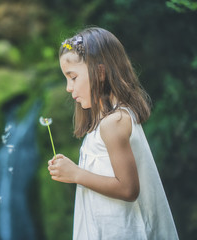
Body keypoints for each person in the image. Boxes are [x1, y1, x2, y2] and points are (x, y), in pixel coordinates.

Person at [47, 27, 179, 240]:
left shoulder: (114, 122)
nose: (68, 88)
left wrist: (76, 174)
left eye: (73, 77)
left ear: (100, 73)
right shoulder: (103, 122)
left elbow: (128, 188)